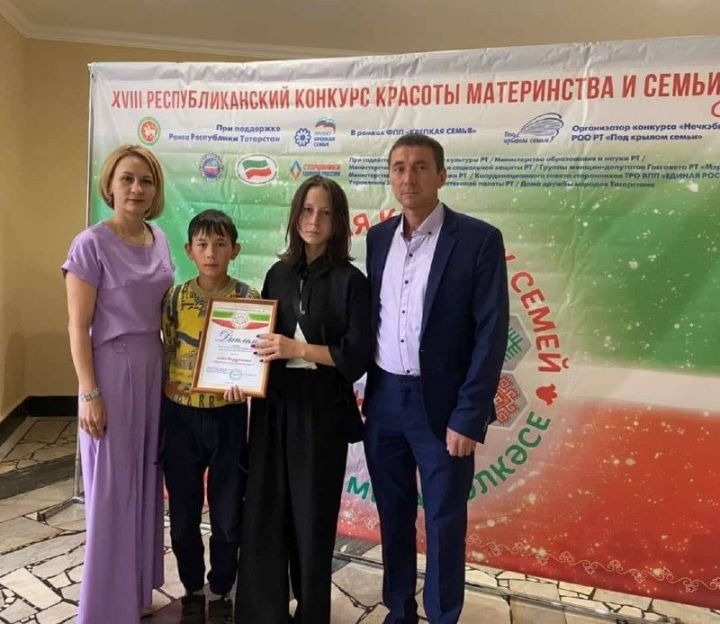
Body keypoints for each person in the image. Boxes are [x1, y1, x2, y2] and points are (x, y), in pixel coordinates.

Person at [363, 133, 509, 624]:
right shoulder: (378, 239)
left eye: (421, 167)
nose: (409, 177)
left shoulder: (477, 240)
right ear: (390, 176)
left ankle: (443, 615)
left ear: (441, 175)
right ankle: (399, 611)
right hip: (385, 401)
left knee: (445, 521)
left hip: (444, 407)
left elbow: (491, 332)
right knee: (393, 514)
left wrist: (469, 414)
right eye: (399, 167)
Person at [233, 176, 371, 624]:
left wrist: (300, 350)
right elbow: (261, 339)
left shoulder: (352, 281)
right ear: (295, 216)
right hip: (273, 404)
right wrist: (236, 373)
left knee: (312, 517)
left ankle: (312, 614)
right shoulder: (278, 274)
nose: (314, 220)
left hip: (321, 410)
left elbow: (356, 356)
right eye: (308, 210)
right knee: (265, 508)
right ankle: (263, 613)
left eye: (326, 213)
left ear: (339, 222)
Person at [62, 144, 174, 623]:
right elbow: (77, 326)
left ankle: (134, 592)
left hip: (153, 369)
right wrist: (89, 392)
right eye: (127, 178)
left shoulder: (159, 238)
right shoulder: (89, 244)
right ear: (109, 184)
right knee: (111, 491)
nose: (136, 188)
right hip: (110, 370)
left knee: (146, 481)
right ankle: (105, 608)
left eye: (146, 181)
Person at [161, 208, 260, 624]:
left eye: (220, 244)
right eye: (202, 244)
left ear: (235, 250)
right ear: (189, 250)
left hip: (228, 419)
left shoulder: (250, 300)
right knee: (183, 516)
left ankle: (221, 590)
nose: (211, 253)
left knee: (227, 515)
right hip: (180, 420)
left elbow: (257, 360)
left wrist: (245, 383)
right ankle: (192, 590)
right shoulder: (174, 298)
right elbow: (166, 351)